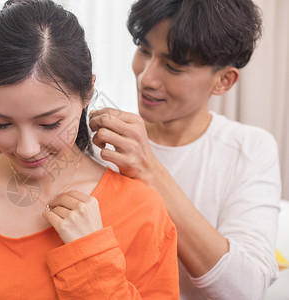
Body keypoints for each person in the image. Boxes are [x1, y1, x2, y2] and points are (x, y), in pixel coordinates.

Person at [0, 0, 179, 299]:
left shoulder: (141, 210)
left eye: (49, 123)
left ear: (87, 93)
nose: (27, 149)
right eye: (1, 123)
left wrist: (92, 257)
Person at [89, 0, 281, 299]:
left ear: (223, 81)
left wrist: (150, 171)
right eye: (143, 50)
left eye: (174, 66)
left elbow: (246, 289)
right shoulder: (103, 137)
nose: (146, 78)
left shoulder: (249, 150)